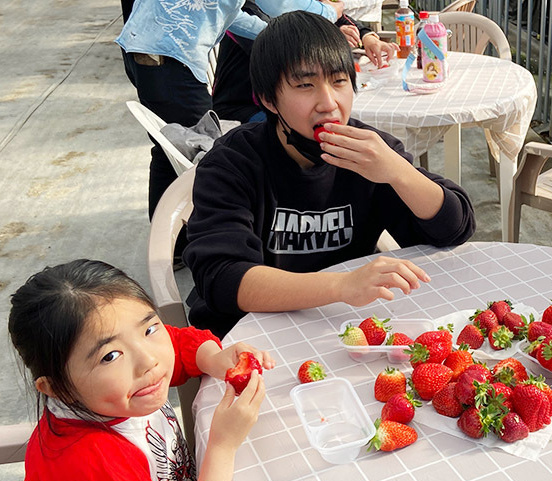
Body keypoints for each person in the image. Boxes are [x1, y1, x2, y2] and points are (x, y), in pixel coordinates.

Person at [184, 11, 476, 338]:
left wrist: (398, 172)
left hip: (340, 327)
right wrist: (342, 285)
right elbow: (224, 278)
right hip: (249, 338)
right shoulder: (233, 163)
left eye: (339, 82)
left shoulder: (371, 152)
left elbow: (454, 228)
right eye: (305, 85)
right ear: (268, 99)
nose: (328, 103)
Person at [8, 259, 274, 481]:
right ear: (55, 389)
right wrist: (222, 445)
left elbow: (174, 342)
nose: (149, 360)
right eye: (110, 356)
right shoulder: (92, 463)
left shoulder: (116, 391)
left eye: (148, 329)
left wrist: (213, 358)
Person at [116, 0, 342, 221]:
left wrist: (273, 36)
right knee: (197, 148)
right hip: (168, 54)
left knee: (170, 146)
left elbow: (228, 15)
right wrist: (330, 12)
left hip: (146, 47)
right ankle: (190, 233)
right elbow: (279, 4)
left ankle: (169, 232)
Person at [213, 2, 398, 124]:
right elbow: (283, 50)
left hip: (292, 103)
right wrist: (327, 36)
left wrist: (367, 37)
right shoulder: (242, 11)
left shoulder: (302, 5)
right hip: (243, 108)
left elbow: (337, 14)